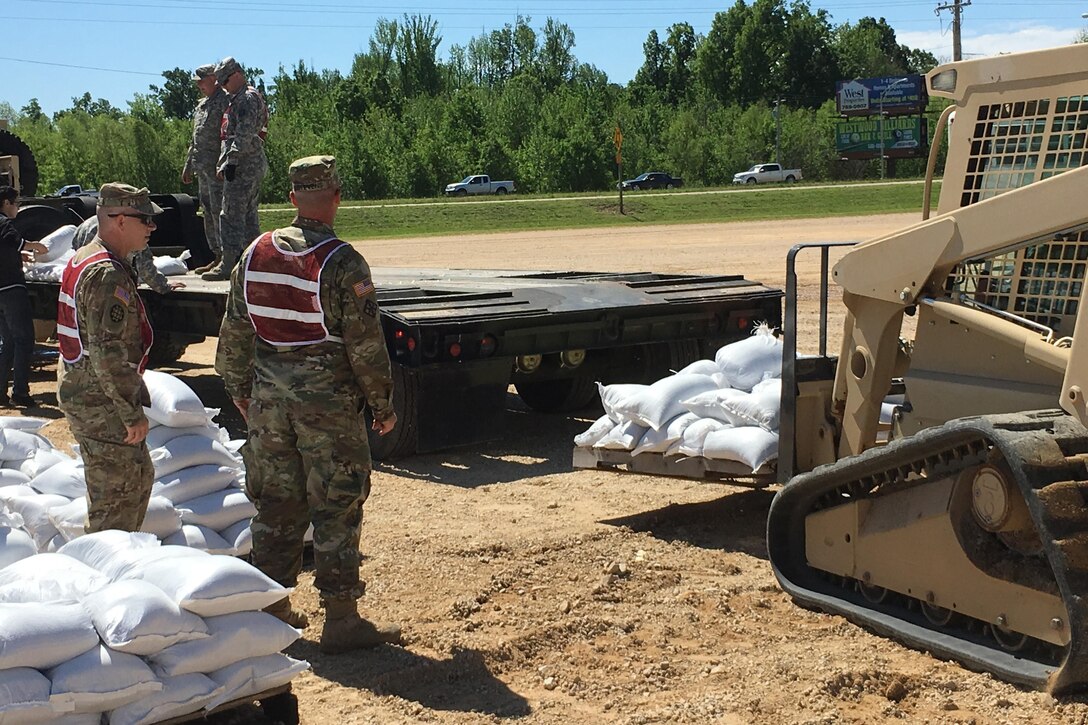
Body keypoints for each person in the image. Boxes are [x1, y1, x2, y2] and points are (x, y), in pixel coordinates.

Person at [215, 155, 400, 652]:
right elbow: (365, 345)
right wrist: (382, 405)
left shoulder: (254, 253)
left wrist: (239, 389)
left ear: (293, 199)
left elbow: (234, 330)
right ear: (336, 197)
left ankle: (271, 611)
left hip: (269, 404)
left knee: (276, 505)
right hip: (328, 409)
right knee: (337, 505)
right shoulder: (343, 262)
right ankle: (341, 621)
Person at [57, 183, 159, 533]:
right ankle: (102, 575)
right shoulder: (106, 273)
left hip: (88, 393)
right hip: (101, 403)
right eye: (144, 219)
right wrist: (131, 414)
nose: (152, 227)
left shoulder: (86, 256)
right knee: (117, 503)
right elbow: (107, 353)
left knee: (137, 480)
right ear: (118, 220)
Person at [202, 56, 268, 282]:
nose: (223, 87)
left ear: (237, 75)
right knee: (248, 216)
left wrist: (231, 161)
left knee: (229, 213)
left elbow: (243, 135)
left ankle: (229, 262)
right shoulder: (238, 98)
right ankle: (254, 263)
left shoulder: (246, 99)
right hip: (245, 162)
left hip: (244, 165)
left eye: (225, 81)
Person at [0, 186, 47, 407]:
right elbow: (11, 239)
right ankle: (20, 391)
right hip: (11, 288)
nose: (18, 208)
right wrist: (33, 246)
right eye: (16, 203)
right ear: (6, 203)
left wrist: (20, 255)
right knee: (24, 339)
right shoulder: (3, 222)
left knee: (8, 342)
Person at [182, 63, 228, 275]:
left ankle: (228, 256)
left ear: (214, 78)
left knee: (221, 211)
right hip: (202, 169)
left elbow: (228, 133)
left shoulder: (224, 101)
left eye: (202, 79)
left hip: (217, 168)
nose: (198, 84)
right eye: (197, 81)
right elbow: (195, 139)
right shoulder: (201, 106)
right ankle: (216, 255)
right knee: (208, 211)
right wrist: (188, 165)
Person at [72, 216, 183, 294]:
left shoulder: (98, 221)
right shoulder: (130, 231)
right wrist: (163, 286)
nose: (151, 227)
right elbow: (145, 267)